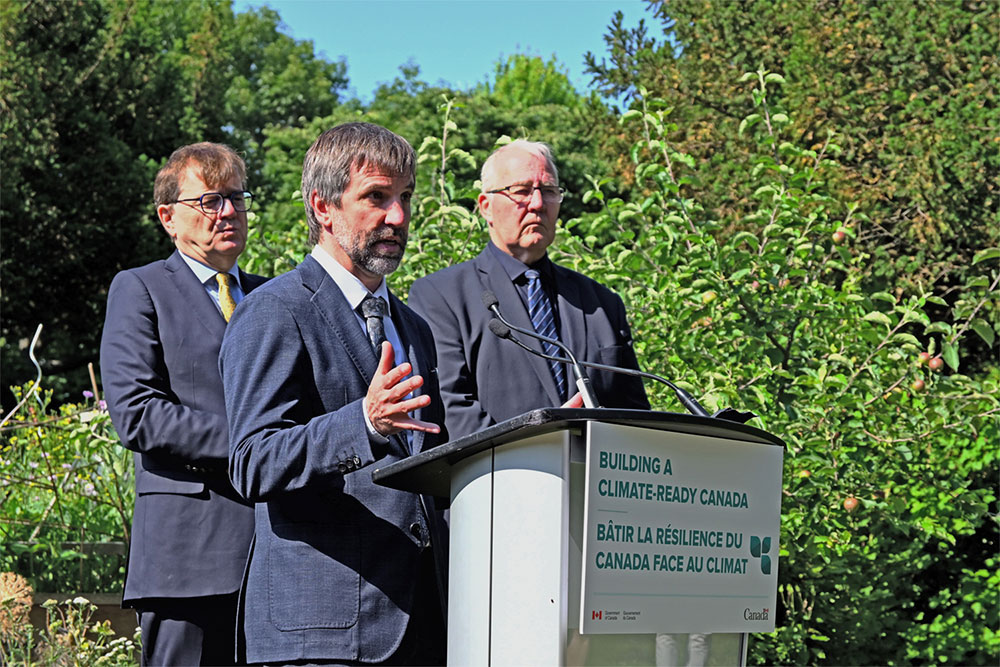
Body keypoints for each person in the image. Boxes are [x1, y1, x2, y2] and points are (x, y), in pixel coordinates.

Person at [219, 122, 448, 665]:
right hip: (320, 631)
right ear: (323, 208)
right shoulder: (275, 310)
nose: (398, 217)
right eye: (376, 197)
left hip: (418, 624)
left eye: (405, 198)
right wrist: (363, 423)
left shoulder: (412, 327)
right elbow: (253, 462)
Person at [100, 142, 267, 665]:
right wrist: (253, 446)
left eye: (237, 199)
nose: (229, 213)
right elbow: (136, 412)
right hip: (187, 557)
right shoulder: (141, 289)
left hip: (277, 552)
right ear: (168, 217)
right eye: (211, 200)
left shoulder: (272, 297)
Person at [408, 140, 650, 439]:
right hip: (497, 478)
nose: (537, 204)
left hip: (595, 479)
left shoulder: (602, 303)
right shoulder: (440, 296)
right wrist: (544, 450)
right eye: (521, 191)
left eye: (548, 192)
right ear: (486, 207)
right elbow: (451, 408)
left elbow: (636, 417)